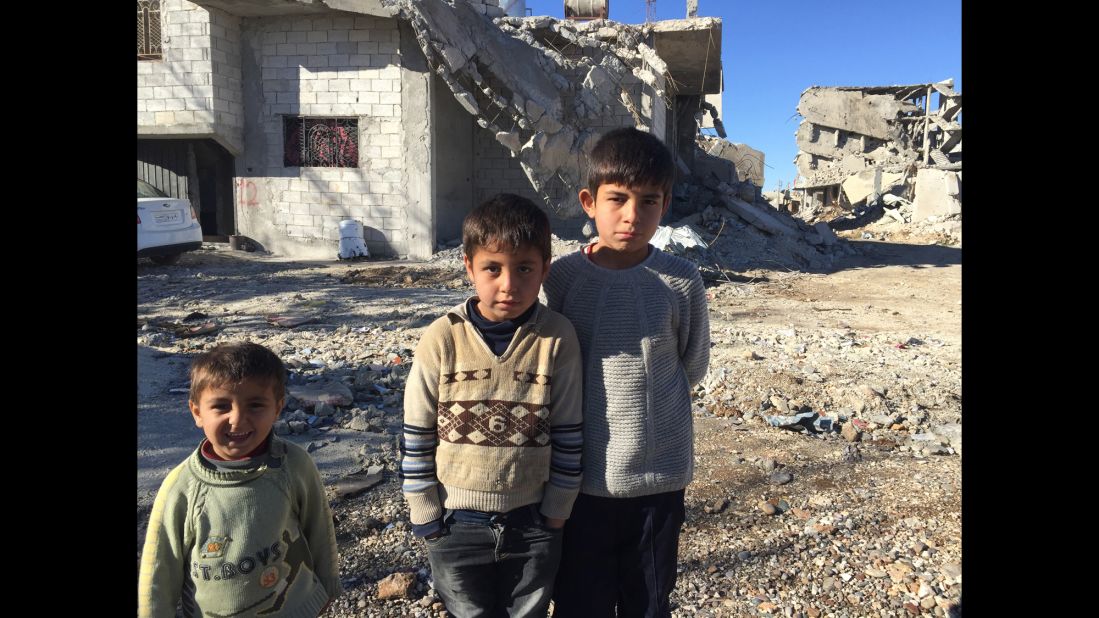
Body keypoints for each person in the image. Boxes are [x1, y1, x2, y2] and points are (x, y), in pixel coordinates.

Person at [543, 127, 711, 617]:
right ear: (588, 202)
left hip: (658, 479)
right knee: (580, 599)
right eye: (617, 199)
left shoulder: (681, 280)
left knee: (649, 598)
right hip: (579, 480)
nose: (632, 216)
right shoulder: (563, 279)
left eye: (649, 201)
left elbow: (692, 363)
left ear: (666, 204)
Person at [400, 193, 584, 617]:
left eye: (524, 268)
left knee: (529, 611)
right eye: (492, 268)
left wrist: (557, 509)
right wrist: (426, 512)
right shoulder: (441, 338)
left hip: (533, 520)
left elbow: (569, 428)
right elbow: (416, 431)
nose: (508, 284)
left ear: (544, 270)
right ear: (469, 266)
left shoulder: (557, 337)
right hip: (455, 521)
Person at [138, 342, 340, 617]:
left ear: (277, 408)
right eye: (221, 406)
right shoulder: (181, 487)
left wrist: (328, 587)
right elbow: (159, 569)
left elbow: (319, 529)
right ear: (197, 412)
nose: (237, 419)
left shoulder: (292, 465)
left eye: (255, 405)